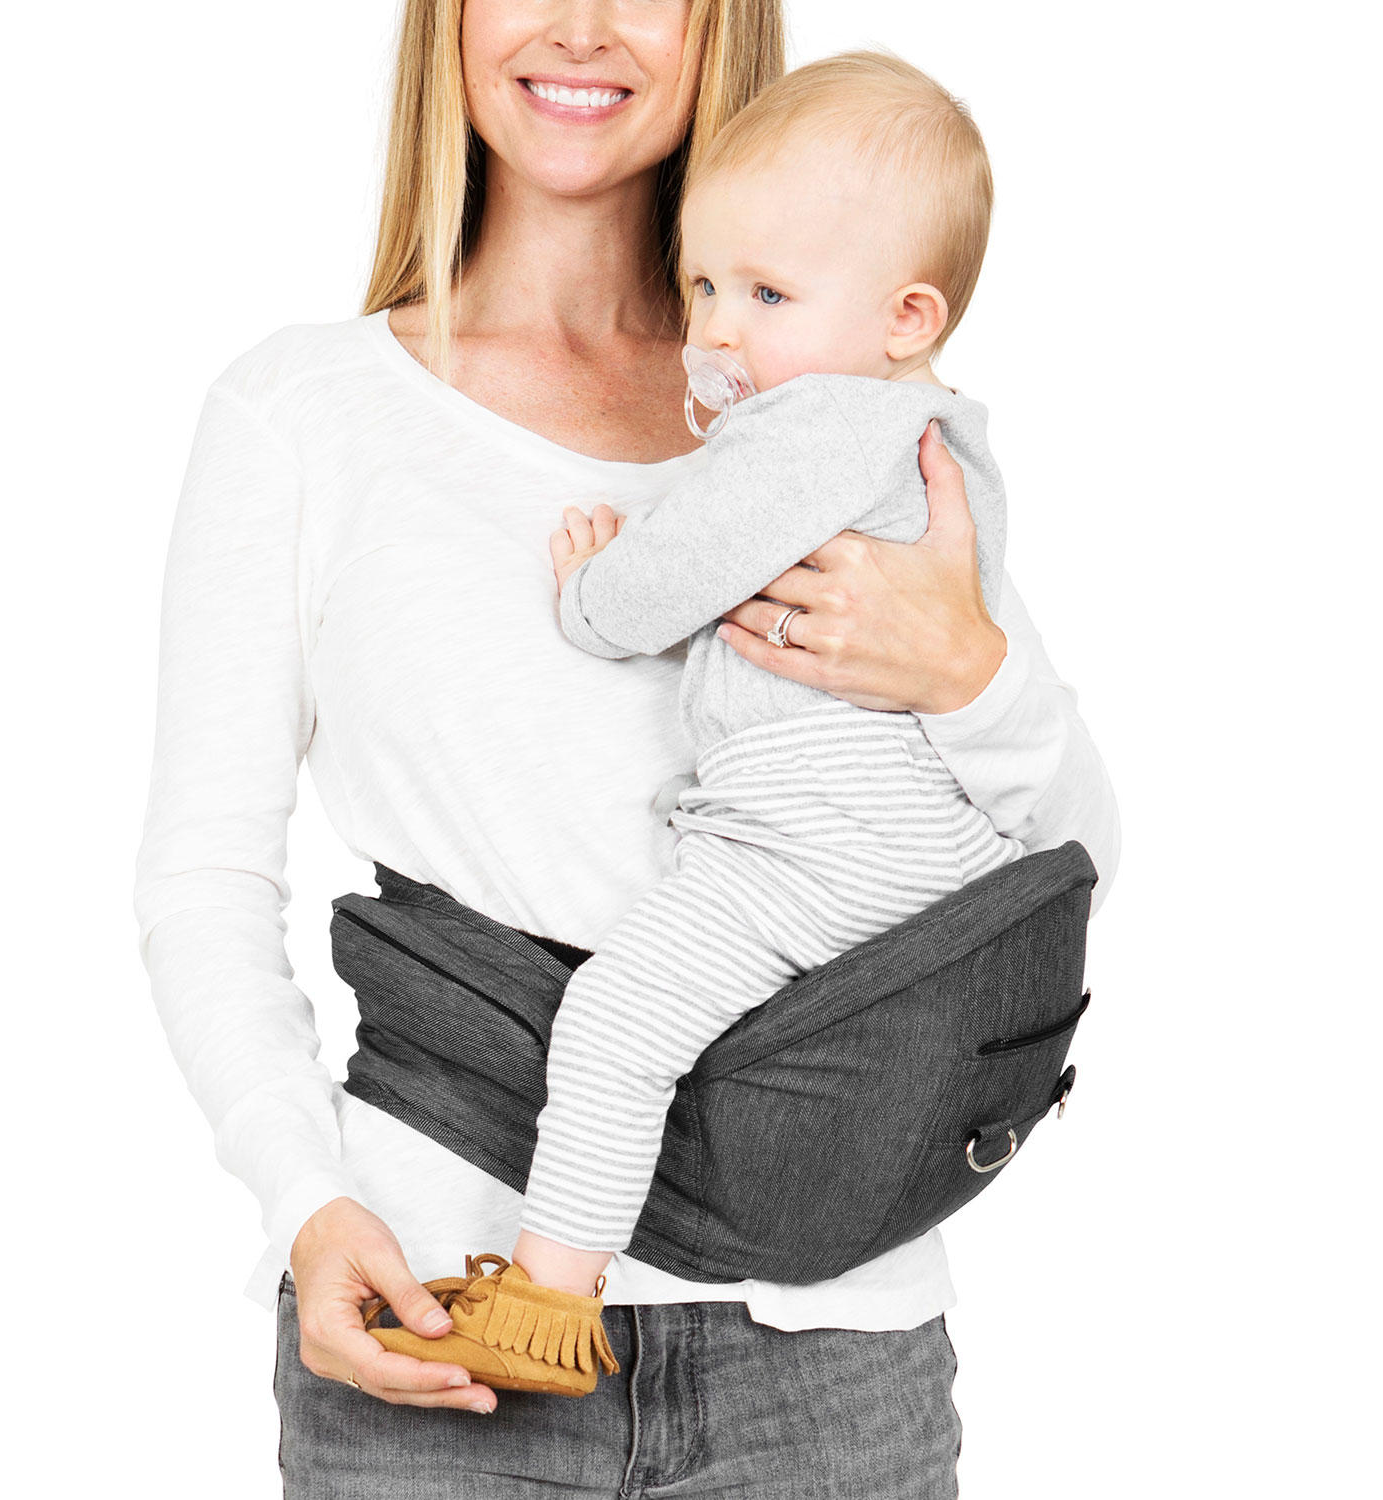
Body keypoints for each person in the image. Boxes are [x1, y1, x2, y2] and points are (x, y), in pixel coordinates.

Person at [132, 1, 1120, 1493]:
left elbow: (1064, 866)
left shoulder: (835, 402)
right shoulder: (307, 413)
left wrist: (970, 674)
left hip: (826, 1357)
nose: (584, 25)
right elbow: (204, 879)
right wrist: (305, 1203)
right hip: (433, 1314)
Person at [366, 49, 1030, 1396]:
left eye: (768, 296)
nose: (720, 329)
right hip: (915, 835)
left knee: (618, 1019)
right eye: (707, 286)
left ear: (907, 317)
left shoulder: (817, 429)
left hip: (817, 836)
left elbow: (645, 601)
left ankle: (548, 1304)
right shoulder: (921, 434)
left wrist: (595, 587)